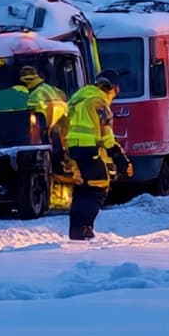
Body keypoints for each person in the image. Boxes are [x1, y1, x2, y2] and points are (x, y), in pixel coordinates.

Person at [65, 70, 132, 240]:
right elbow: (107, 136)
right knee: (98, 186)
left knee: (83, 188)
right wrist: (120, 158)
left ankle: (78, 229)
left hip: (74, 148)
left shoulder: (78, 98)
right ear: (112, 88)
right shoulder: (99, 102)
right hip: (89, 148)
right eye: (116, 90)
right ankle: (83, 229)